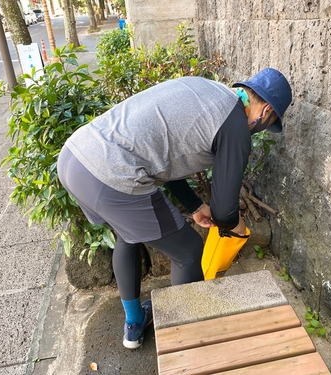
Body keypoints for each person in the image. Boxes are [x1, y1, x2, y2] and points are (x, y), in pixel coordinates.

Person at [56, 67, 292, 349]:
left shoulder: (205, 89)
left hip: (75, 158)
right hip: (112, 174)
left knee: (129, 235)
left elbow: (166, 157)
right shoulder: (236, 125)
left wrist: (194, 205)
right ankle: (184, 339)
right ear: (265, 112)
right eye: (269, 123)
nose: (262, 128)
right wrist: (236, 228)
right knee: (189, 252)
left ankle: (134, 323)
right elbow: (226, 212)